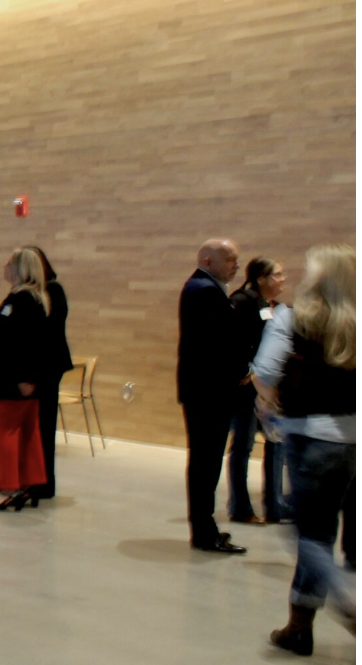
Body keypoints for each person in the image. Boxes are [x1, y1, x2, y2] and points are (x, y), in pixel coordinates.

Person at [252, 245, 356, 655]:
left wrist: (269, 403)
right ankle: (298, 628)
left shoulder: (291, 319)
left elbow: (263, 372)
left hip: (312, 435)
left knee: (312, 535)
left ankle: (337, 604)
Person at [178, 237, 249, 554]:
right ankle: (204, 532)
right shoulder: (204, 291)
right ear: (208, 261)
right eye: (231, 259)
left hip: (205, 390)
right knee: (206, 462)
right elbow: (217, 344)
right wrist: (241, 371)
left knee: (205, 461)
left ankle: (205, 529)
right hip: (208, 392)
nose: (236, 265)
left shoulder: (203, 288)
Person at [0, 248, 52, 512]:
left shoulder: (24, 301)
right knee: (26, 435)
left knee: (9, 435)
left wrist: (25, 377)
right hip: (17, 380)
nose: (4, 266)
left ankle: (10, 488)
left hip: (14, 382)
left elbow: (27, 344)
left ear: (21, 269)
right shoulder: (27, 299)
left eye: (9, 263)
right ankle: (25, 483)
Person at [228, 256, 291, 525]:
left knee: (276, 444)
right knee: (242, 446)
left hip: (269, 391)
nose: (282, 279)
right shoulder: (242, 301)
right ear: (261, 278)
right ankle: (240, 508)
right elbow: (231, 341)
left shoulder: (273, 306)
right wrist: (245, 372)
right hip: (245, 390)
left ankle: (275, 506)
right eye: (277, 274)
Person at [24, 246, 71, 500]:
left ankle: (44, 481)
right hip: (39, 365)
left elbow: (49, 328)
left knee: (43, 424)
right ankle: (27, 477)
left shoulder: (53, 290)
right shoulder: (31, 293)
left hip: (47, 367)